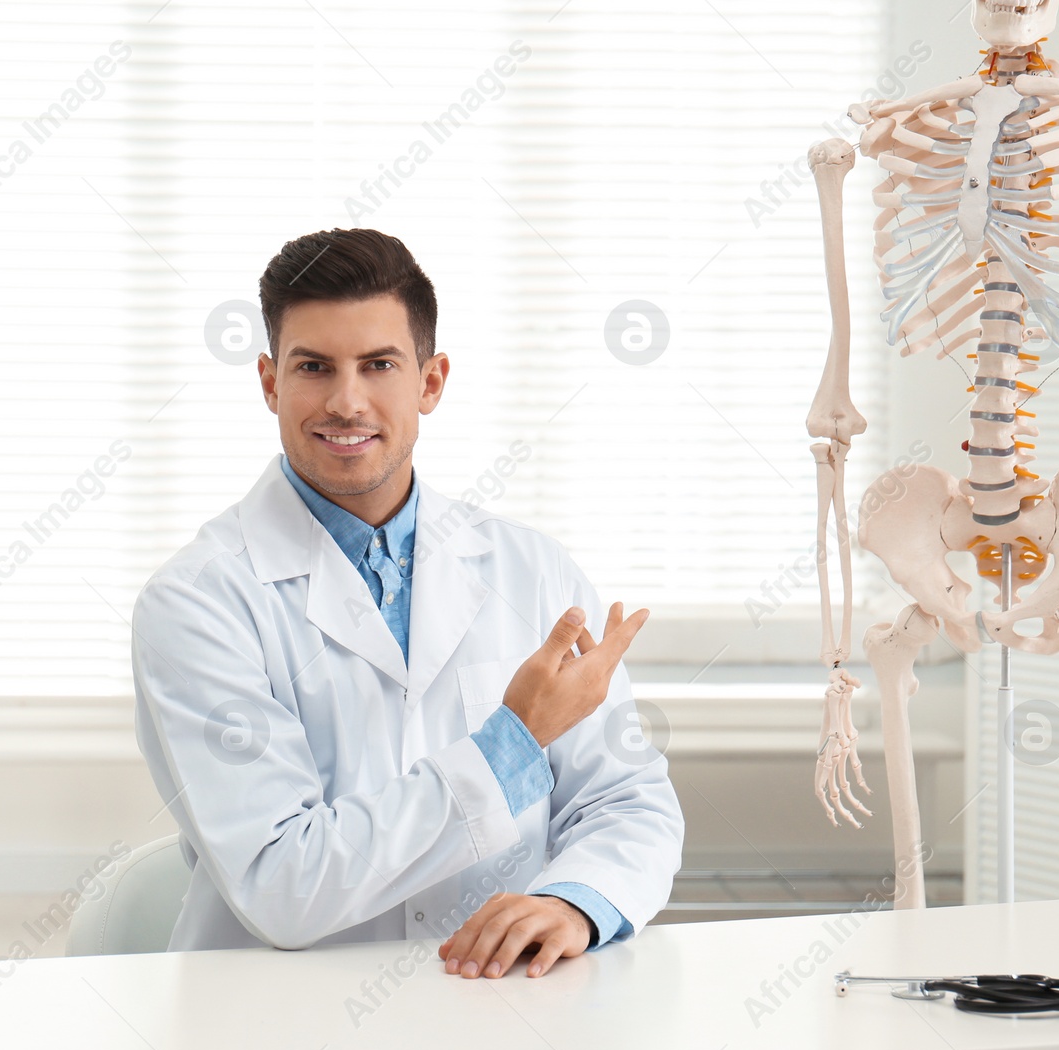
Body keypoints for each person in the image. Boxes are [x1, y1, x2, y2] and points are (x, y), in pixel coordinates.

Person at [133, 227, 683, 979]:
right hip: (277, 1023)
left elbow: (628, 800)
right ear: (269, 381)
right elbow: (283, 883)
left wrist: (576, 901)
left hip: (505, 1010)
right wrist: (515, 742)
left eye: (379, 364)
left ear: (430, 381)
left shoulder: (533, 570)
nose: (346, 400)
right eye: (313, 366)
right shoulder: (198, 603)